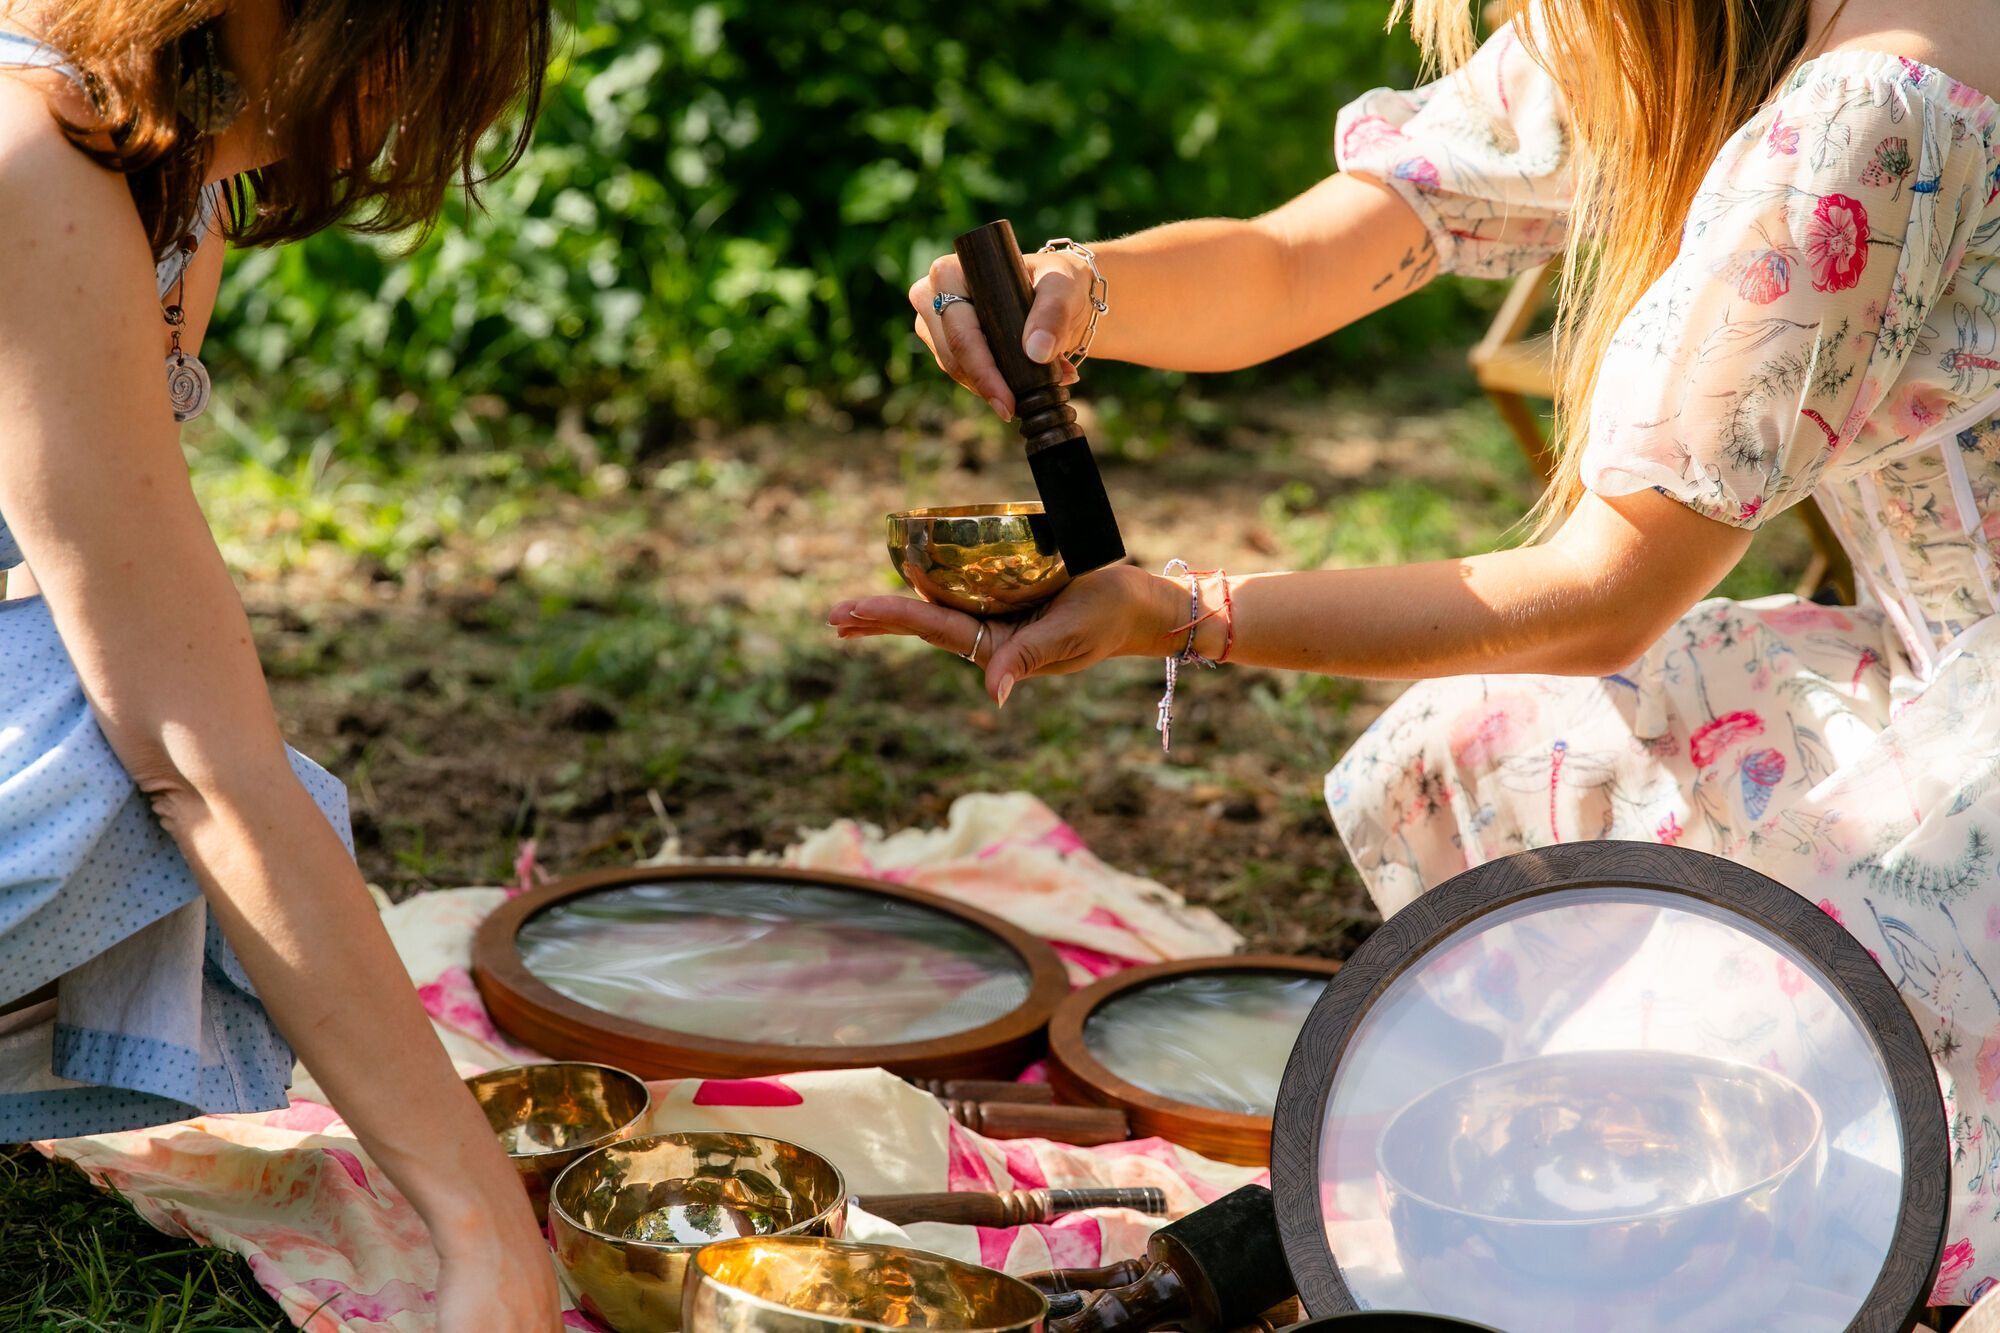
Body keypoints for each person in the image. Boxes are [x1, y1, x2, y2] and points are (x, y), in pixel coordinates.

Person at [832, 0, 2000, 1299]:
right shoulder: (1714, 32)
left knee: (1727, 1139)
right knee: (1483, 738)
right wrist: (1079, 289)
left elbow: (1610, 592)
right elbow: (1295, 260)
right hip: (1940, 679)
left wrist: (1191, 613)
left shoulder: (1869, 117)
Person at [0, 1, 559, 1326]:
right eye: (416, 68)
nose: (405, 122)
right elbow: (195, 759)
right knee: (136, 762)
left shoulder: (155, 180)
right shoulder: (39, 166)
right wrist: (485, 1230)